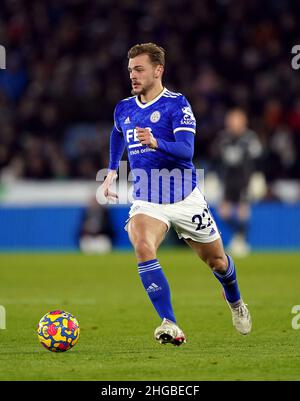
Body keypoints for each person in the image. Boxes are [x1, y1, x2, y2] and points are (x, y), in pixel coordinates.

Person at [101, 43, 252, 346]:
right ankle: (169, 322)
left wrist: (156, 142)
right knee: (143, 246)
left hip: (185, 198)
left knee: (218, 262)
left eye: (139, 69)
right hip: (147, 200)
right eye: (130, 69)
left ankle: (236, 302)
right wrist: (113, 170)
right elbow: (118, 132)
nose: (133, 75)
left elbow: (186, 151)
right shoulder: (124, 108)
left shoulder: (177, 105)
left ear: (158, 70)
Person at [213, 109, 263, 256]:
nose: (233, 124)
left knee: (242, 212)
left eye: (236, 120)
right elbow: (217, 159)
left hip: (244, 180)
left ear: (243, 122)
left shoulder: (250, 138)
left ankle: (241, 242)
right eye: (231, 120)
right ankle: (239, 237)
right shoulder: (223, 138)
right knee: (224, 213)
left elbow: (258, 159)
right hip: (228, 181)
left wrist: (257, 177)